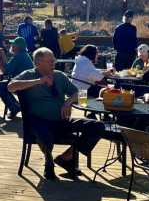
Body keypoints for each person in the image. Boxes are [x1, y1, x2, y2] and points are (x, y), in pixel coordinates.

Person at [8, 48, 104, 180]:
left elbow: (81, 96)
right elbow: (10, 87)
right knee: (44, 133)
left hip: (61, 121)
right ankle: (49, 161)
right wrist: (39, 81)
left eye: (54, 60)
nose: (54, 64)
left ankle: (67, 157)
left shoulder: (59, 76)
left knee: (97, 126)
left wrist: (69, 102)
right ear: (38, 62)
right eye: (50, 61)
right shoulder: (29, 75)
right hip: (39, 121)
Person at [0, 37, 34, 120]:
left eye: (13, 45)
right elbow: (7, 69)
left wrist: (2, 56)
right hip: (27, 83)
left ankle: (14, 107)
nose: (11, 46)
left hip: (23, 84)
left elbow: (6, 71)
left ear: (17, 47)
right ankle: (15, 106)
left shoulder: (18, 56)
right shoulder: (23, 55)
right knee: (3, 85)